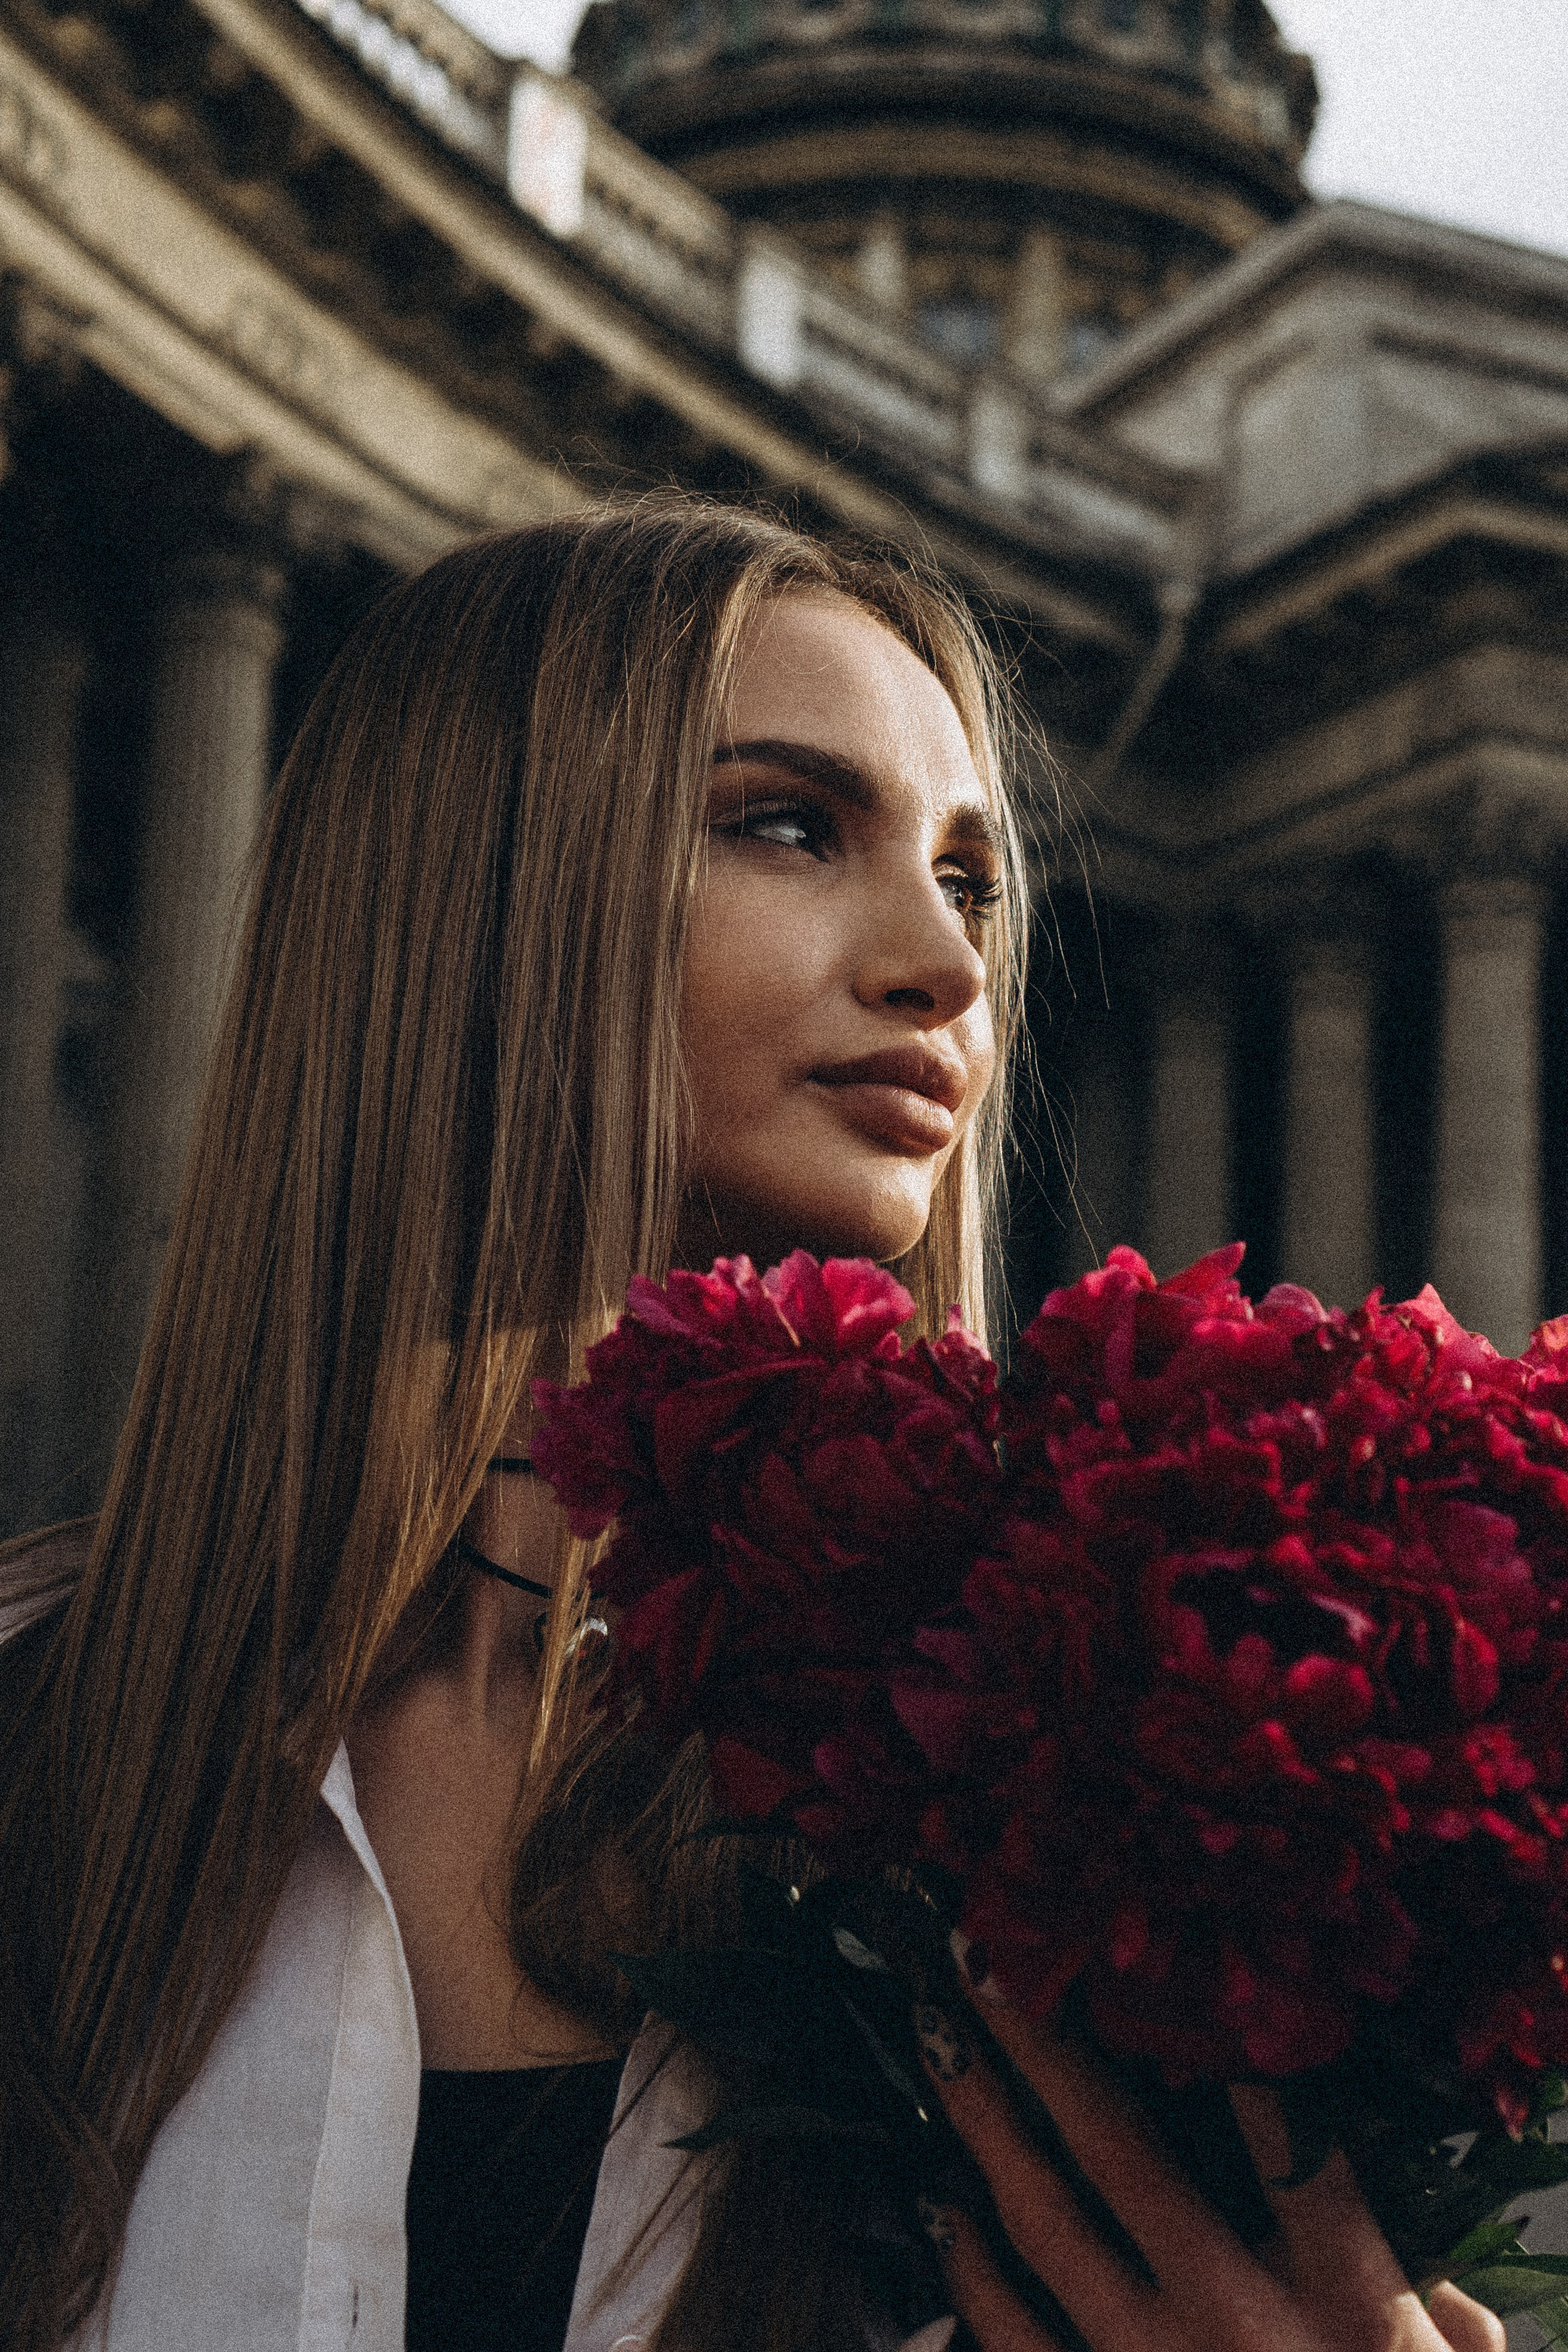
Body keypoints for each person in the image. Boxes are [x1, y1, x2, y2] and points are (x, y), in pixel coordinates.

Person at [0, 503, 1502, 2352]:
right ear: (461, 891)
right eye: (788, 823)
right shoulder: (37, 1742)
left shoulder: (1084, 1836)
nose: (948, 974)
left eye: (970, 880)